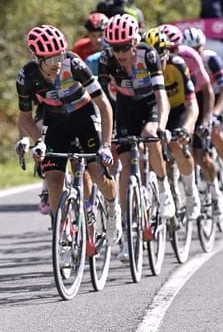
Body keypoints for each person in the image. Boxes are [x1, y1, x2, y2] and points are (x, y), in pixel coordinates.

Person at [15, 24, 122, 251]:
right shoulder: (27, 76)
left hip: (84, 118)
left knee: (97, 173)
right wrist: (39, 141)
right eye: (51, 60)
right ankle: (63, 235)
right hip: (56, 123)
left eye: (59, 56)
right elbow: (24, 118)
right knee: (53, 179)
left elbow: (103, 104)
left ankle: (113, 209)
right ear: (37, 58)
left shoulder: (73, 64)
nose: (57, 64)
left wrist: (105, 144)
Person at [98, 14, 175, 262]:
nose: (119, 53)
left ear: (134, 42)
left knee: (150, 135)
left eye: (124, 47)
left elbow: (162, 96)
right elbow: (99, 98)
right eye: (114, 47)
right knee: (124, 158)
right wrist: (105, 133)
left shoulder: (148, 54)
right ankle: (125, 225)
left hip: (149, 102)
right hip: (125, 105)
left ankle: (163, 189)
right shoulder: (106, 58)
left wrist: (161, 126)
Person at [161, 24, 223, 218]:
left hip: (194, 100)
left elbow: (207, 92)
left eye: (174, 50)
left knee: (200, 155)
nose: (171, 54)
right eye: (166, 50)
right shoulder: (156, 60)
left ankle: (215, 191)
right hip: (170, 104)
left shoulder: (189, 56)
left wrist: (206, 120)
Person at [143, 28, 201, 220]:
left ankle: (191, 193)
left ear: (167, 53)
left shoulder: (178, 65)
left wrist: (187, 127)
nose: (155, 65)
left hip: (177, 111)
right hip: (153, 111)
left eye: (159, 59)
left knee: (177, 145)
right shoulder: (140, 70)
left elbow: (192, 104)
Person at [183, 26, 223, 196]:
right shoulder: (184, 63)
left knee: (216, 131)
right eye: (191, 49)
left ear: (204, 47)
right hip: (199, 102)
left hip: (218, 99)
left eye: (198, 48)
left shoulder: (211, 60)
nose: (195, 52)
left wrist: (215, 114)